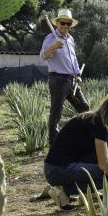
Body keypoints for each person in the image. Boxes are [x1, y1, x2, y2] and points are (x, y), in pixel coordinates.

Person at [44, 94, 108, 210]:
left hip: (61, 167)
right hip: (57, 169)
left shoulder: (100, 122)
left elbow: (103, 157)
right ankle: (63, 191)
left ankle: (84, 194)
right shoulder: (98, 123)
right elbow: (104, 164)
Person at [40, 8, 90, 145]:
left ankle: (83, 136)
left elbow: (73, 59)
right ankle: (54, 144)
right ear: (57, 23)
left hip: (72, 80)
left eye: (68, 24)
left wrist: (77, 73)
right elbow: (43, 56)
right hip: (58, 80)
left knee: (84, 108)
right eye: (63, 23)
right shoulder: (50, 38)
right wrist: (54, 46)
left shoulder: (70, 39)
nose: (65, 26)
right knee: (56, 113)